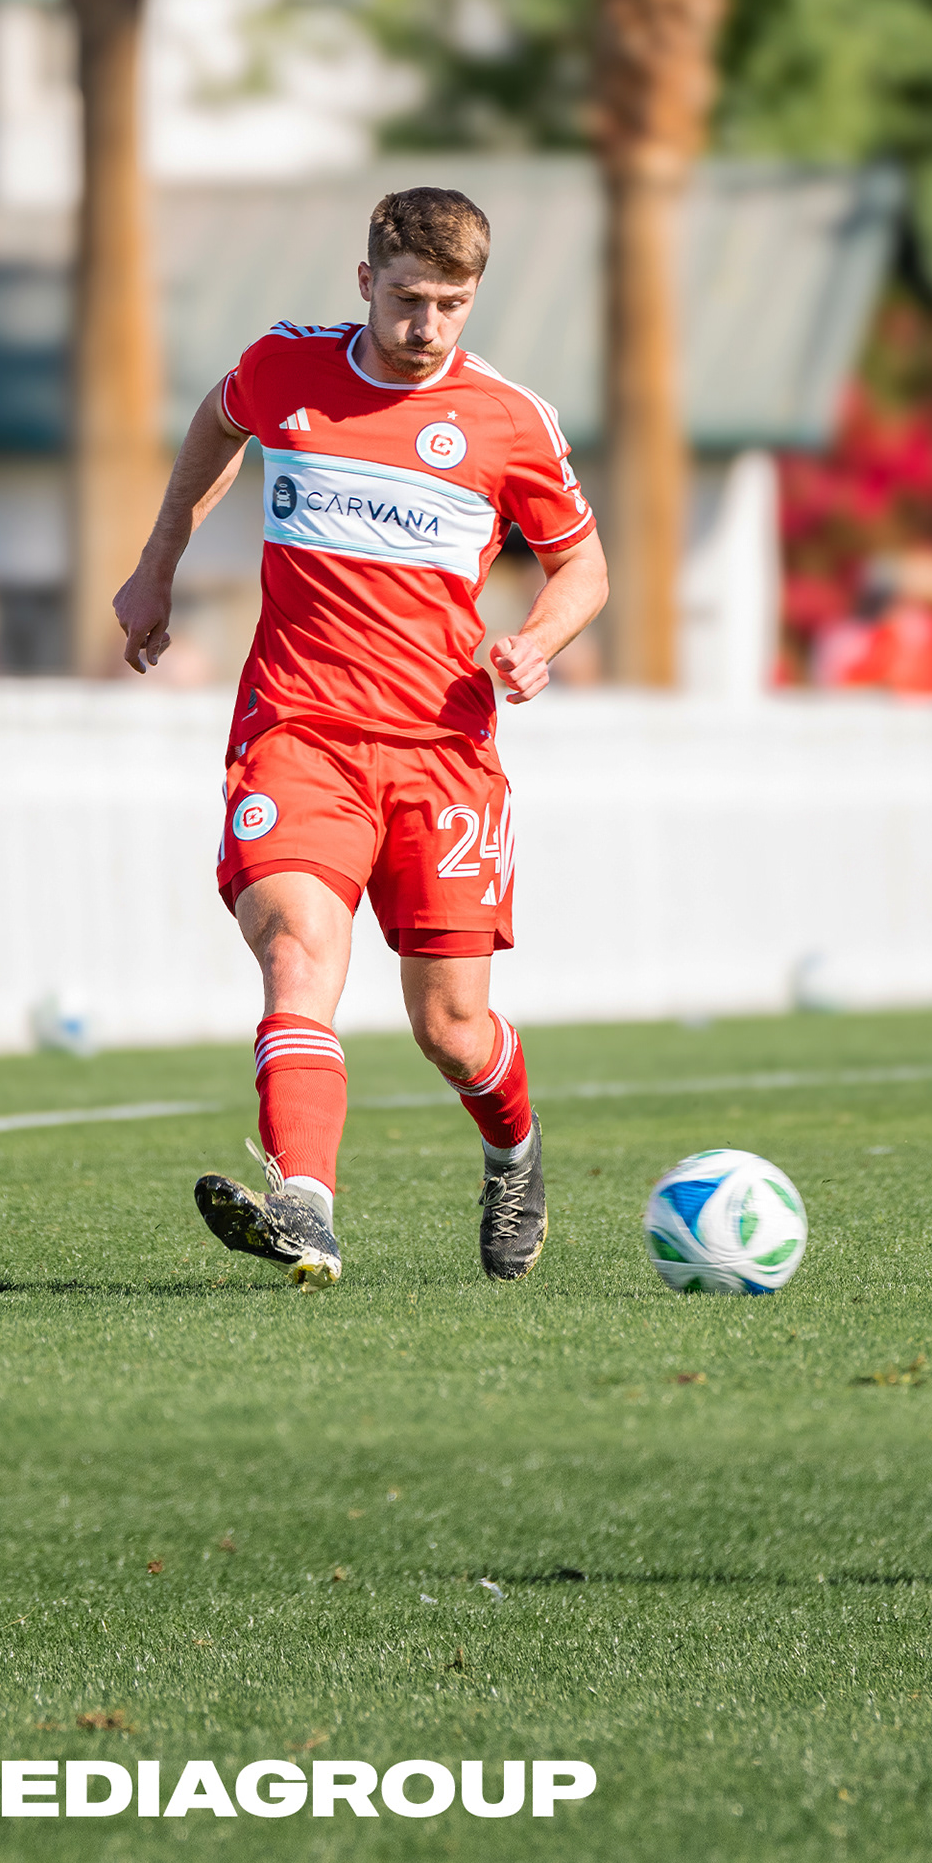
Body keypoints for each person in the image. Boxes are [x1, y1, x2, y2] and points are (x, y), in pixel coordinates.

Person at [113, 187, 605, 1289]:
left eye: (452, 304)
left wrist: (538, 641)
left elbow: (583, 564)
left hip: (442, 752)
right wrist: (156, 568)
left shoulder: (509, 421)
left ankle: (513, 1149)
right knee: (296, 949)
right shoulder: (286, 367)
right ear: (365, 281)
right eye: (408, 298)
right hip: (299, 733)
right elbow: (217, 424)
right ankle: (305, 1205)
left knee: (452, 1027)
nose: (427, 325)